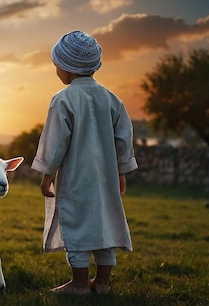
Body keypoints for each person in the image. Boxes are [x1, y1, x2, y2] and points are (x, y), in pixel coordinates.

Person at [31, 30, 138, 295]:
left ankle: (79, 284)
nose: (56, 69)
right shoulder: (112, 99)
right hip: (106, 178)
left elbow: (56, 142)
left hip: (76, 177)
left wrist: (47, 173)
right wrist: (122, 171)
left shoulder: (63, 100)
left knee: (77, 221)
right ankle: (102, 283)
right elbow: (123, 139)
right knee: (106, 220)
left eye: (56, 64)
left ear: (67, 67)